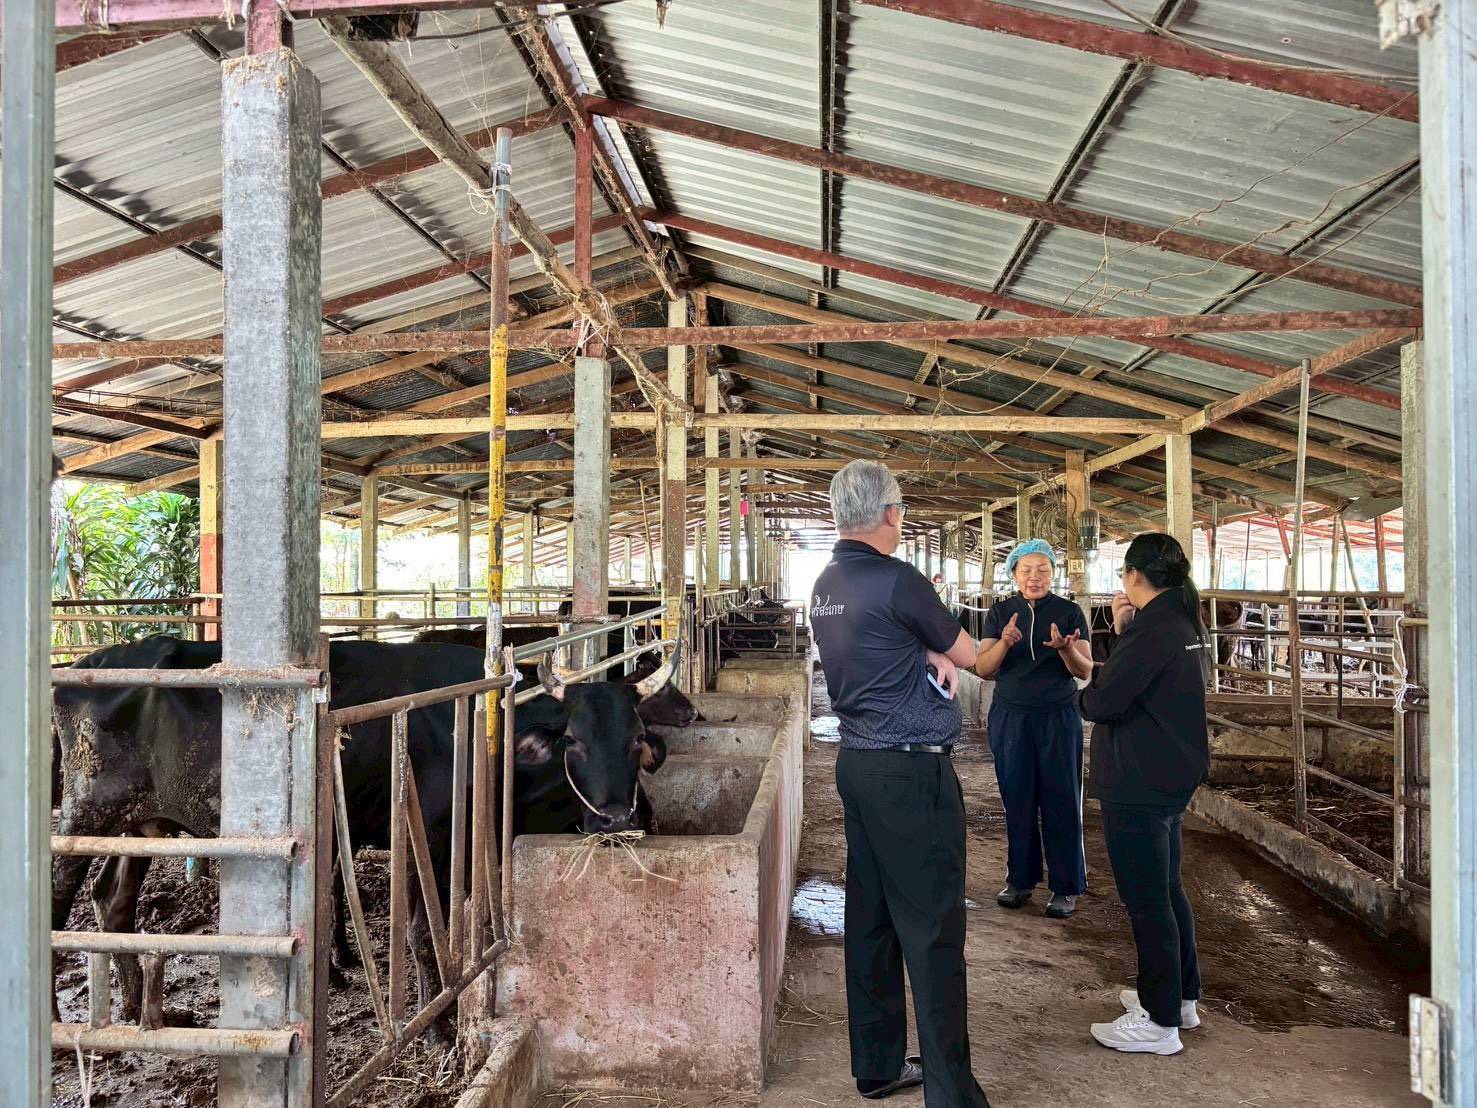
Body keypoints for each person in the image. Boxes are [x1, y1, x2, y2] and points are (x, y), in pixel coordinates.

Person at [809, 460, 992, 1107]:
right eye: (901, 509)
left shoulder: (826, 584)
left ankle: (878, 1064)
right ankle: (951, 1095)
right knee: (933, 928)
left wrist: (921, 653)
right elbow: (972, 656)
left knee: (872, 919)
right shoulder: (898, 579)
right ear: (889, 513)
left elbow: (881, 650)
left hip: (858, 764)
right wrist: (946, 651)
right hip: (911, 771)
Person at [1080, 532, 1211, 1056]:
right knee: (1167, 889)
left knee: (1147, 900)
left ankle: (1159, 1024)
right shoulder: (1181, 622)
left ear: (1134, 575)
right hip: (1171, 771)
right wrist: (1123, 632)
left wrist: (1084, 691)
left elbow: (1104, 701)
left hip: (1140, 777)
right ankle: (1180, 997)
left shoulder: (1154, 630)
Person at [973, 539, 1092, 919]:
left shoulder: (1070, 612)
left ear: (1054, 573)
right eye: (1026, 570)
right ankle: (1020, 880)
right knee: (1017, 798)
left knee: (1062, 798)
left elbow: (1085, 670)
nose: (1034, 577)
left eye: (1042, 569)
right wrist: (1005, 643)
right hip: (1011, 717)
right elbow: (983, 668)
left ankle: (1066, 886)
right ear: (1014, 574)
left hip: (1058, 716)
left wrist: (1065, 649)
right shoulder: (1000, 612)